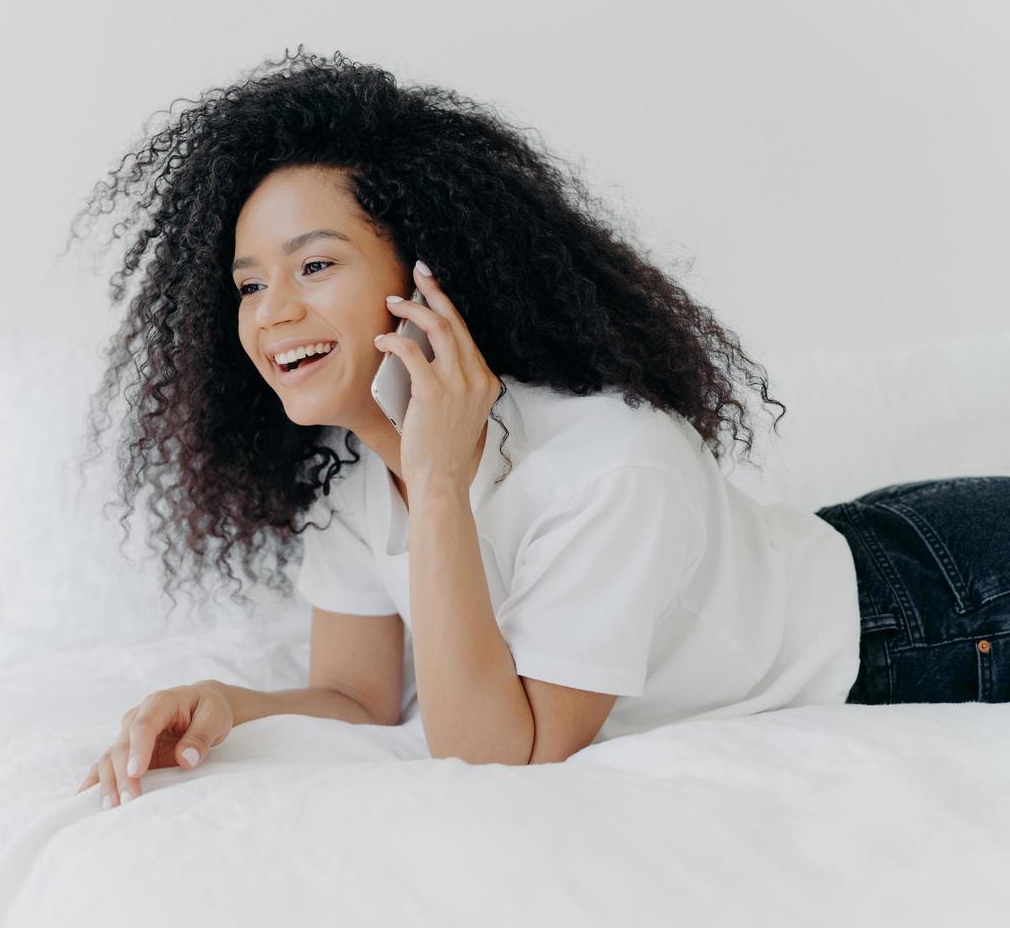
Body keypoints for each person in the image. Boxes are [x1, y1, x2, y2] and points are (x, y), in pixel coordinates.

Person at [67, 46, 1009, 812]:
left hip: (938, 612)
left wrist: (439, 487)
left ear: (426, 274)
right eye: (249, 284)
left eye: (314, 267)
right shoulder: (354, 480)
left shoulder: (611, 464)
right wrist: (228, 706)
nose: (271, 313)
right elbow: (360, 697)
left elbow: (498, 759)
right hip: (870, 547)